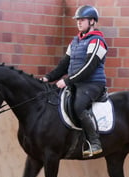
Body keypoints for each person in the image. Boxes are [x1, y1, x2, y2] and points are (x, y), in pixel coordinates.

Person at [41, 5, 108, 157]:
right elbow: (64, 64)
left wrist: (68, 81)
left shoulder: (97, 41)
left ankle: (95, 142)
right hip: (76, 83)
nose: (79, 22)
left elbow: (89, 67)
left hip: (93, 84)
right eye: (78, 20)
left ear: (92, 21)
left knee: (78, 106)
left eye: (82, 20)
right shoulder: (75, 41)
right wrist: (48, 77)